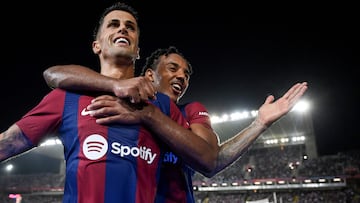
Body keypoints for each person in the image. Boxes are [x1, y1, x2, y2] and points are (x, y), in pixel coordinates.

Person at [0, 3, 212, 203]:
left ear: (138, 50)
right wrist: (115, 86)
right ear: (97, 46)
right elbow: (9, 142)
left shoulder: (162, 105)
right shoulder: (65, 97)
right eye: (114, 25)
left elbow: (207, 159)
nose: (122, 29)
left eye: (130, 27)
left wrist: (149, 114)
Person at [43, 46, 308, 202]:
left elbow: (212, 160)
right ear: (149, 75)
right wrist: (113, 85)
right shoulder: (122, 105)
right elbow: (56, 75)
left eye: (186, 73)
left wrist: (259, 124)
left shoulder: (191, 111)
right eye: (172, 68)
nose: (181, 76)